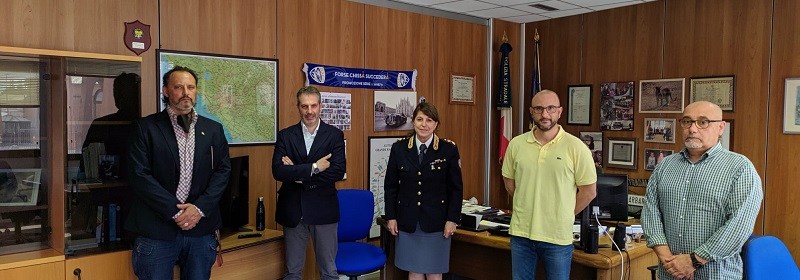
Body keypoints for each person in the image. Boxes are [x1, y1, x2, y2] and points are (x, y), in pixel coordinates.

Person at [126, 66, 231, 280]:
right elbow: (139, 175)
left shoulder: (213, 129)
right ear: (166, 91)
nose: (186, 92)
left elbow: (223, 171)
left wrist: (199, 209)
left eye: (191, 87)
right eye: (178, 87)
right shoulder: (145, 127)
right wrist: (177, 212)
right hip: (157, 229)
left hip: (201, 230)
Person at [641, 101, 763, 280]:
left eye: (703, 122)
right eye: (687, 121)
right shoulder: (665, 166)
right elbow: (650, 212)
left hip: (716, 275)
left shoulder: (740, 168)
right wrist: (670, 262)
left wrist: (692, 261)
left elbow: (739, 226)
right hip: (670, 273)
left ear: (721, 127)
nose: (692, 129)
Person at [501, 90, 597, 280]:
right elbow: (510, 184)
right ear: (531, 111)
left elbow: (588, 191)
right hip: (522, 234)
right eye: (539, 109)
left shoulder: (576, 147)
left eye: (550, 108)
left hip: (557, 238)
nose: (545, 114)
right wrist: (526, 203)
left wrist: (565, 213)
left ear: (560, 112)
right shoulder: (516, 144)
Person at [273, 85, 346, 280]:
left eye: (313, 106)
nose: (310, 111)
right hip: (293, 210)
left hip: (324, 210)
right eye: (305, 106)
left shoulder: (334, 135)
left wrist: (296, 173)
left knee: (329, 272)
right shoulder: (285, 135)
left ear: (320, 106)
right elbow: (278, 171)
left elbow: (337, 171)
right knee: (292, 272)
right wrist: (314, 168)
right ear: (298, 107)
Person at [384, 102, 463, 280]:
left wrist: (452, 219)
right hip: (408, 220)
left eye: (429, 120)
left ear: (436, 124)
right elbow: (390, 186)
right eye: (419, 119)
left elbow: (455, 189)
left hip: (437, 222)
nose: (424, 124)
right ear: (413, 122)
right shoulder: (399, 149)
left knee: (435, 273)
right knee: (414, 271)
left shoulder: (448, 149)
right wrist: (391, 216)